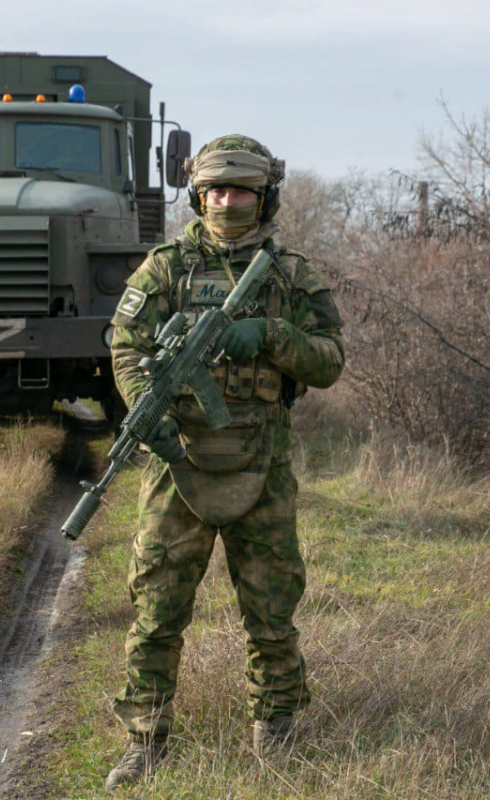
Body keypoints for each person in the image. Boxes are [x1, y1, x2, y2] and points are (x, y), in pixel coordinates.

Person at [103, 135, 345, 789]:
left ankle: (278, 734)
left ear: (263, 195)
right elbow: (124, 342)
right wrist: (141, 406)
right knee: (156, 612)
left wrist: (269, 336)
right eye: (215, 190)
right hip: (177, 469)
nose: (227, 202)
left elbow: (330, 360)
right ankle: (145, 741)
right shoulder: (165, 267)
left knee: (270, 612)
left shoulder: (291, 275)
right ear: (197, 194)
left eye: (240, 191)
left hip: (260, 468)